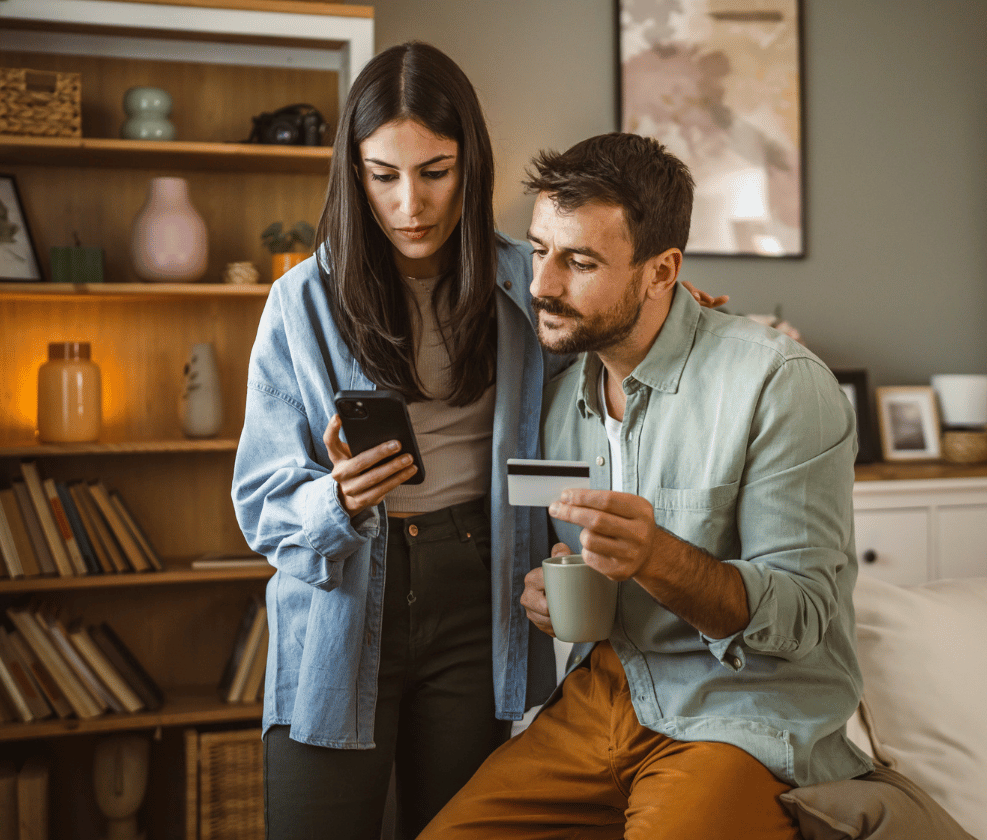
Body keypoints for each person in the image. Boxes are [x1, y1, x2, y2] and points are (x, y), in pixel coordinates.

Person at [231, 45, 726, 840]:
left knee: (461, 828)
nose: (409, 203)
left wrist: (658, 303)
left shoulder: (526, 283)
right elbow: (261, 503)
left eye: (435, 171)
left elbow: (612, 327)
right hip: (343, 597)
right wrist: (337, 496)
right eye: (381, 174)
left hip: (480, 589)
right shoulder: (303, 302)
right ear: (352, 174)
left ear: (471, 165)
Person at [417, 132, 872, 839]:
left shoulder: (779, 385)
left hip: (740, 714)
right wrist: (549, 590)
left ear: (662, 272)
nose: (542, 284)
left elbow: (804, 615)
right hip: (603, 694)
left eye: (581, 261)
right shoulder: (558, 398)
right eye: (540, 250)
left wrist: (656, 557)